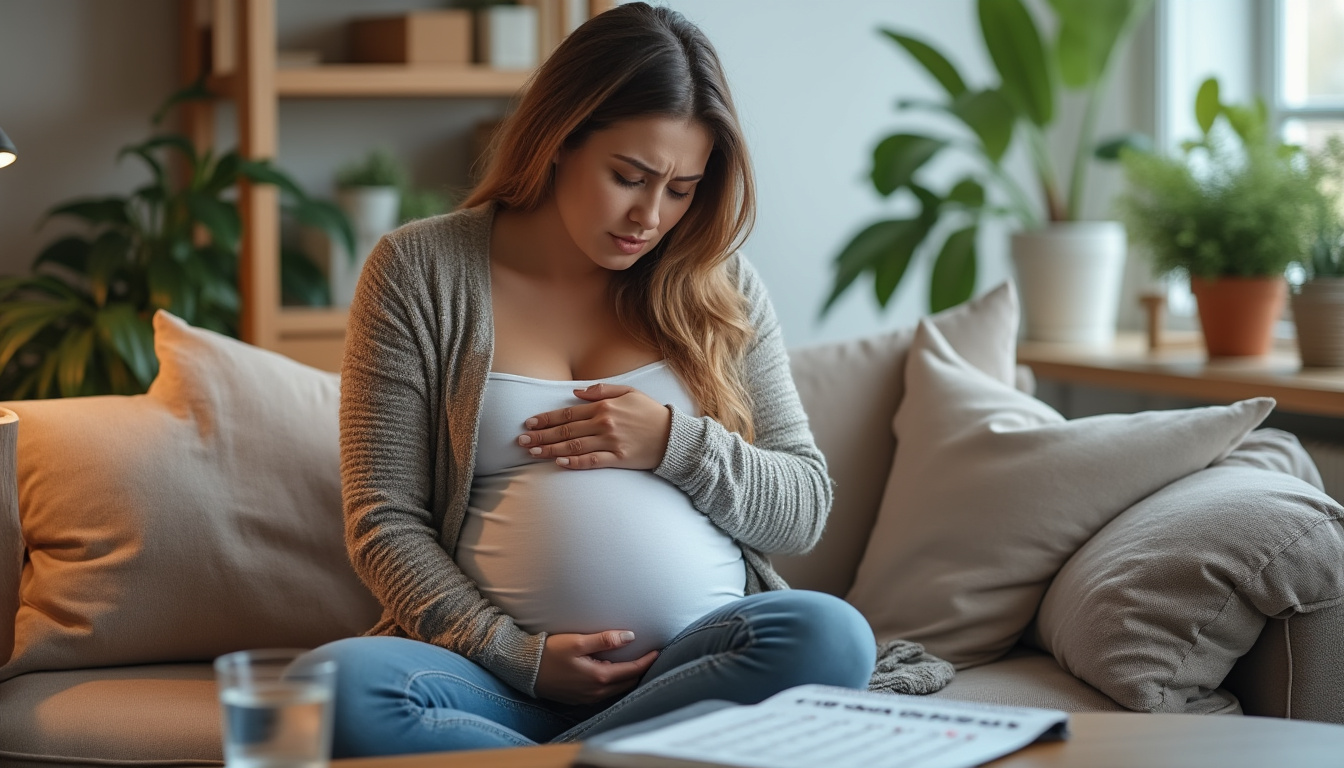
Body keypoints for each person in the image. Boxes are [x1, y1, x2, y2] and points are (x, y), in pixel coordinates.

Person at [306, 3, 877, 756]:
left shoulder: (719, 284)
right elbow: (383, 519)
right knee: (326, 689)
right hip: (488, 677)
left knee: (831, 636)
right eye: (629, 176)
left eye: (681, 189)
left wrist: (674, 443)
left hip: (693, 670)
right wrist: (518, 655)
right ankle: (623, 753)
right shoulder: (420, 271)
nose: (650, 215)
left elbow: (801, 508)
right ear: (557, 140)